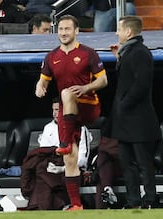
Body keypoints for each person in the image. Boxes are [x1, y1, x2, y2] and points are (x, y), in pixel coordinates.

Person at [35, 14, 108, 211]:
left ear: (76, 31)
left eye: (68, 29)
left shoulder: (88, 53)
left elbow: (104, 80)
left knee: (66, 93)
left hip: (88, 104)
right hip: (67, 113)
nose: (64, 33)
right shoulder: (52, 56)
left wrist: (86, 88)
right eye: (60, 29)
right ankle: (76, 205)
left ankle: (65, 142)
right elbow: (44, 79)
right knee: (69, 159)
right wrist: (39, 86)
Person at [109, 15, 161, 209]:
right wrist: (119, 60)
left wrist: (124, 103)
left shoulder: (140, 52)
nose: (116, 33)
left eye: (119, 29)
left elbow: (142, 84)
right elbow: (129, 79)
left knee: (143, 163)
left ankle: (150, 200)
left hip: (139, 120)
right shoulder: (129, 51)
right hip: (125, 121)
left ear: (129, 32)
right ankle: (133, 201)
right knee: (127, 162)